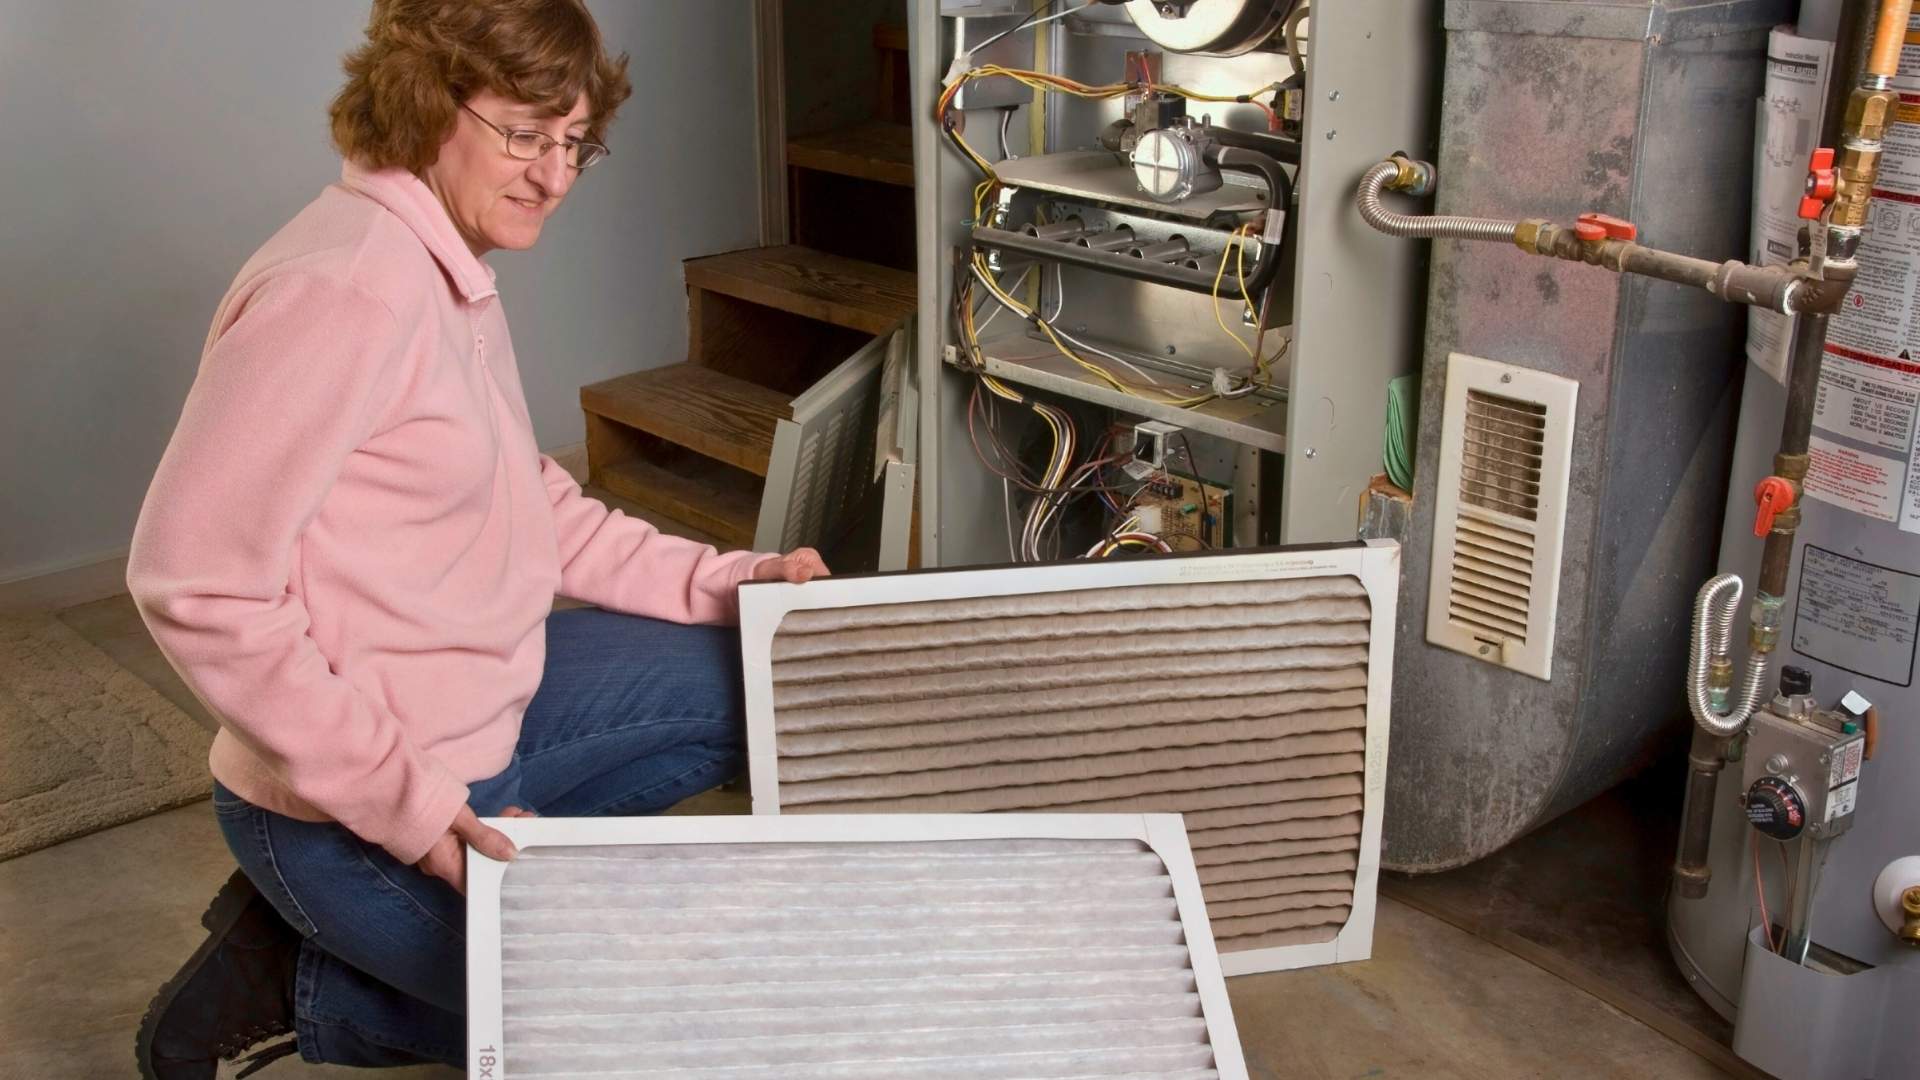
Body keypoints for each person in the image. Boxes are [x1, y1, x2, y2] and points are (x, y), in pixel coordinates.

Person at [127, 2, 827, 1075]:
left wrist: (744, 583)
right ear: (425, 101)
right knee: (660, 1030)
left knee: (751, 675)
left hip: (480, 717)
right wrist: (408, 807)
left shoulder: (442, 268)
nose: (555, 175)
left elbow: (539, 507)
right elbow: (195, 584)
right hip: (354, 802)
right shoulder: (345, 290)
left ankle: (491, 902)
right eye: (523, 134)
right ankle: (302, 976)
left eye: (573, 143)